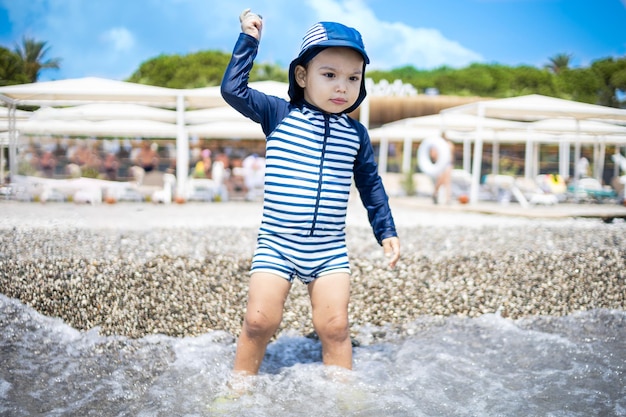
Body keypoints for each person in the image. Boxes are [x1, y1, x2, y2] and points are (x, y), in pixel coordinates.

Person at [221, 9, 401, 380]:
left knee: (335, 327)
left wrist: (386, 231)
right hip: (277, 242)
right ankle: (238, 388)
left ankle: (343, 396)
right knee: (258, 322)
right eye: (330, 75)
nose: (342, 87)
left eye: (353, 78)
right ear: (302, 75)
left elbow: (371, 186)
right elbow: (232, 90)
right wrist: (249, 41)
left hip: (329, 248)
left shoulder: (356, 135)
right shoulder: (278, 114)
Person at [431, 136, 454, 204]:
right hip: (441, 164)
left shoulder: (449, 145)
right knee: (440, 181)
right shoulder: (439, 145)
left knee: (447, 182)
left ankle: (448, 199)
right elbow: (433, 155)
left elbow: (451, 156)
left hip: (447, 164)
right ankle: (435, 193)